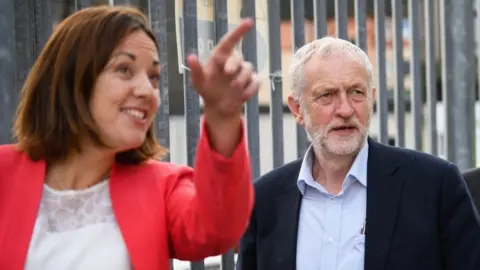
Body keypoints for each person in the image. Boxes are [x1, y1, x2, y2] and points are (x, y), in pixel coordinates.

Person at [0, 6, 260, 270]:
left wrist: (222, 117)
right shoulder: (4, 172)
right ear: (73, 79)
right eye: (124, 69)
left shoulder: (163, 187)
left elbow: (218, 229)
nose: (147, 90)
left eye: (154, 77)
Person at [236, 36, 480, 270]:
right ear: (298, 109)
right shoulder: (265, 201)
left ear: (371, 98)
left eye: (356, 92)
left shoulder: (434, 186)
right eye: (327, 95)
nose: (345, 109)